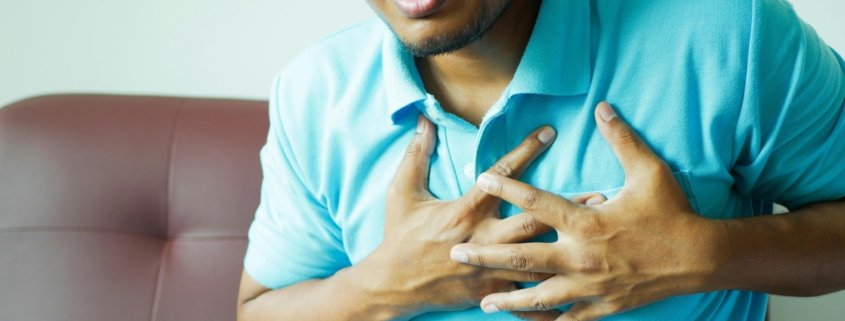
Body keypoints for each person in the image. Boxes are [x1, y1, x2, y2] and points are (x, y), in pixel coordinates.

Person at [236, 0, 845, 320]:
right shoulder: (311, 92)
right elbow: (258, 312)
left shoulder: (733, 31)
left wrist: (702, 256)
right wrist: (382, 285)